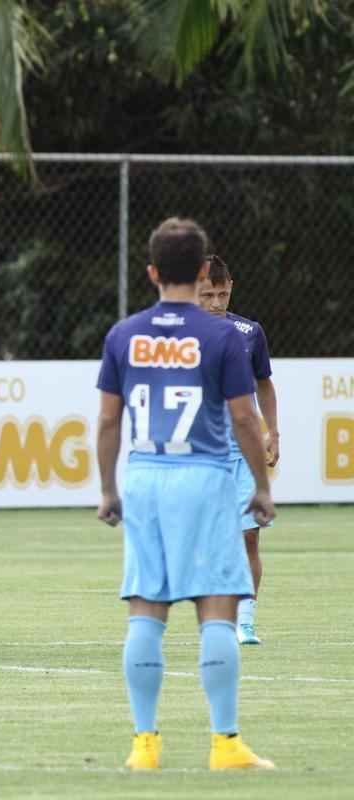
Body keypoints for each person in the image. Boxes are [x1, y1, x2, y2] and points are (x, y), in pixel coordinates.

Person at [96, 217, 276, 771]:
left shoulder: (124, 334)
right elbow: (245, 417)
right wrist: (263, 485)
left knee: (146, 612)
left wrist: (108, 488)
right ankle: (225, 744)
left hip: (147, 477)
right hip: (204, 477)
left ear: (151, 272)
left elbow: (107, 421)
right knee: (217, 608)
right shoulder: (223, 335)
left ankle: (143, 745)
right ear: (201, 272)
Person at [197, 254, 280, 645]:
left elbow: (264, 383)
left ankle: (245, 620)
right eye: (209, 294)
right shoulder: (177, 334)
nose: (216, 303)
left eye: (223, 293)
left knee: (249, 536)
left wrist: (273, 433)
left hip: (243, 448)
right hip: (201, 450)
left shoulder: (249, 332)